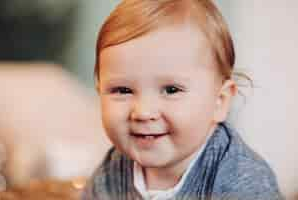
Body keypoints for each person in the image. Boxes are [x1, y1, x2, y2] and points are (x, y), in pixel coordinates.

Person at [82, 0, 284, 199]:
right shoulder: (111, 173)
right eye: (122, 90)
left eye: (171, 90)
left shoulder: (242, 181)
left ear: (219, 102)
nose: (143, 112)